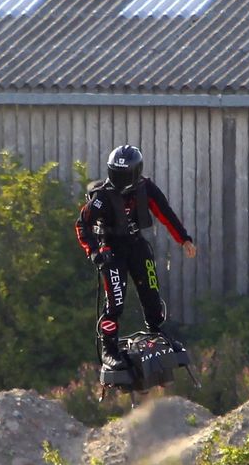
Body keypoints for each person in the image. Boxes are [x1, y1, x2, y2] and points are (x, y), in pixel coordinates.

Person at [75, 144, 198, 371]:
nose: (120, 179)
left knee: (151, 291)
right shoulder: (101, 197)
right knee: (115, 302)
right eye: (116, 173)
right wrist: (94, 252)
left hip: (136, 245)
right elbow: (83, 225)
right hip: (111, 250)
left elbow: (165, 212)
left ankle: (157, 332)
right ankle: (109, 349)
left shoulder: (145, 188)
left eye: (124, 174)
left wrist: (184, 239)